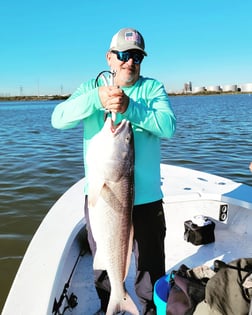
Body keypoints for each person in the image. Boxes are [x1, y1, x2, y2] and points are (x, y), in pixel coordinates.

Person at [51, 27, 176, 315]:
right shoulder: (90, 90)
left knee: (150, 267)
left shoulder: (152, 88)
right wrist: (96, 99)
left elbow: (168, 126)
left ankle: (148, 310)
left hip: (146, 200)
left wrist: (130, 108)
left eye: (137, 57)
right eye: (123, 55)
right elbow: (58, 119)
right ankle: (111, 305)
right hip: (102, 195)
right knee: (104, 262)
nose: (130, 62)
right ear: (109, 58)